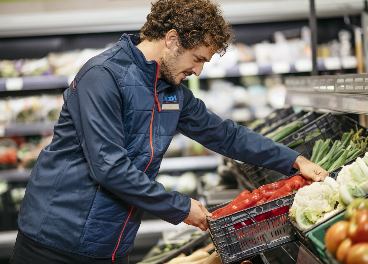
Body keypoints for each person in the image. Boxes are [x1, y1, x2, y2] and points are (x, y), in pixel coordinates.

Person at [10, 0, 328, 263]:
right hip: (55, 240)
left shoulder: (171, 90)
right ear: (173, 39)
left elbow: (226, 135)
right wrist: (181, 207)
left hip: (110, 243)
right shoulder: (102, 76)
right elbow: (109, 167)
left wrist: (295, 160)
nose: (198, 70)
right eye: (197, 59)